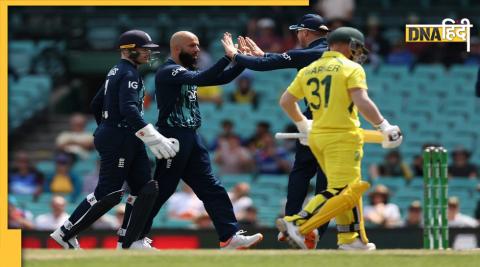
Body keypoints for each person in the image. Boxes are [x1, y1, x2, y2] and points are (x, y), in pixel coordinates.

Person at [275, 27, 402, 250]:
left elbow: (286, 101)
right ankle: (296, 223)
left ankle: (350, 239)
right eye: (357, 47)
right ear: (347, 44)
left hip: (317, 138)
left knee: (343, 188)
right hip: (343, 137)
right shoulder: (350, 68)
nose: (358, 53)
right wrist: (384, 125)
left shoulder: (310, 69)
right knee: (344, 190)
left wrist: (303, 123)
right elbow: (361, 101)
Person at [50, 30, 179, 250]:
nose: (148, 54)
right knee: (109, 193)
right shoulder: (128, 73)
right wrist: (151, 136)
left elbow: (96, 104)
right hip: (120, 137)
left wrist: (107, 126)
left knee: (145, 189)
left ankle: (129, 242)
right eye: (144, 50)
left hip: (125, 135)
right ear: (129, 51)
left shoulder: (117, 71)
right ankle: (65, 233)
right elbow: (128, 108)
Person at [140, 31, 263, 250]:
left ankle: (229, 236)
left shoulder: (187, 71)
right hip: (173, 137)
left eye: (197, 45)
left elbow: (221, 78)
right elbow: (203, 78)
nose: (197, 50)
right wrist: (229, 57)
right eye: (192, 46)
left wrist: (243, 60)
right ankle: (135, 237)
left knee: (211, 187)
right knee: (163, 189)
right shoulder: (169, 71)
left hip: (191, 137)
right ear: (177, 49)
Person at [222, 14, 330, 246]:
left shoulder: (312, 53)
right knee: (327, 180)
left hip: (317, 122)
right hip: (338, 122)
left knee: (303, 171)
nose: (297, 36)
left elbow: (266, 65)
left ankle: (294, 222)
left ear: (306, 32)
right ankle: (317, 231)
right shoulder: (330, 53)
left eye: (298, 32)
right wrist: (264, 55)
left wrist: (235, 55)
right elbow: (275, 60)